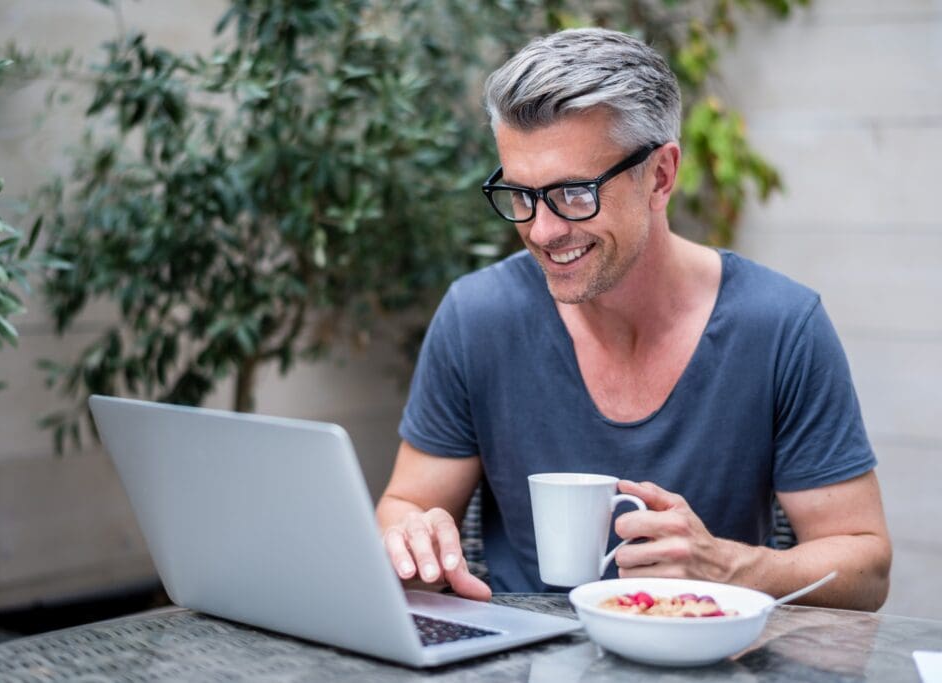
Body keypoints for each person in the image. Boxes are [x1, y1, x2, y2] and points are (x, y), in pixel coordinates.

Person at [374, 28, 891, 610]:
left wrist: (727, 566)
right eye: (521, 194)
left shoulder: (781, 326)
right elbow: (405, 505)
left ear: (661, 176)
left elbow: (866, 567)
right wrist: (411, 540)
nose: (542, 232)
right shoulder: (477, 316)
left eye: (574, 193)